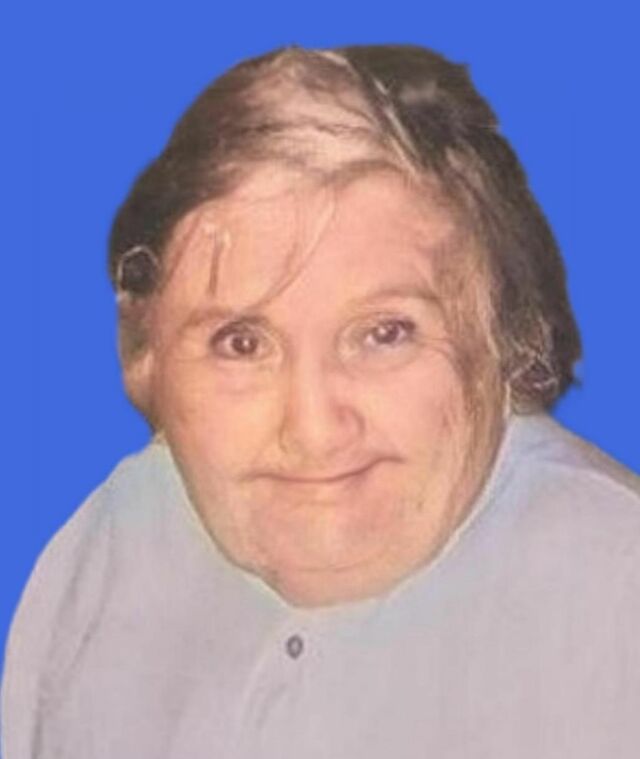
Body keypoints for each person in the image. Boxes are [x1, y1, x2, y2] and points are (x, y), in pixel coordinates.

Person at [2, 44, 639, 758]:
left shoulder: (619, 597)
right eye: (241, 343)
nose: (314, 431)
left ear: (506, 342)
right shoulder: (98, 561)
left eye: (385, 334)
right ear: (144, 359)